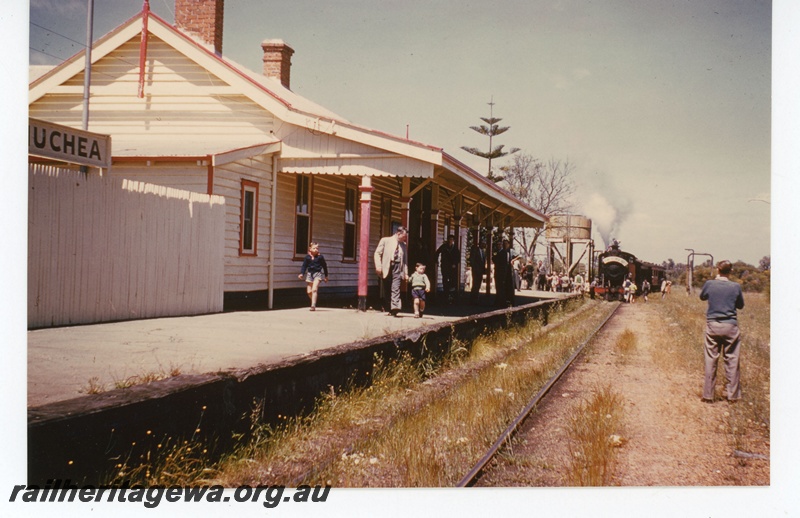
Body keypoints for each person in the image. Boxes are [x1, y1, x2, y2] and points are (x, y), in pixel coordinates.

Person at [699, 260, 744, 402]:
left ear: (718, 270)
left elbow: (702, 297)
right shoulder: (736, 286)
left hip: (713, 325)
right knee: (732, 359)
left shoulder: (710, 284)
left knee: (711, 359)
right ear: (730, 271)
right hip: (730, 326)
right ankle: (733, 396)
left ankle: (708, 395)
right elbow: (740, 305)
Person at [374, 226, 409, 317]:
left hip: (398, 267)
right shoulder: (385, 240)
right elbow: (377, 253)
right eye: (404, 236)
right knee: (387, 287)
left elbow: (405, 261)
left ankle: (395, 307)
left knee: (396, 287)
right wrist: (378, 266)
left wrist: (406, 273)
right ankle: (389, 308)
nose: (405, 238)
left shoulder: (403, 245)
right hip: (387, 266)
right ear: (398, 234)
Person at [298, 242, 329, 311]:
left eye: (317, 248)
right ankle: (314, 300)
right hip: (309, 274)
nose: (316, 249)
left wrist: (326, 276)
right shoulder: (307, 257)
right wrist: (302, 274)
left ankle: (313, 305)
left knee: (314, 289)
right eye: (314, 248)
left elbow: (324, 266)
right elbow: (304, 266)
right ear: (310, 249)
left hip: (317, 274)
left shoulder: (320, 257)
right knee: (309, 292)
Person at [435, 234, 461, 304]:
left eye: (452, 239)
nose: (451, 241)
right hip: (445, 265)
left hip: (452, 267)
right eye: (450, 239)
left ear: (453, 241)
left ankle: (451, 294)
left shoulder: (455, 248)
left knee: (452, 280)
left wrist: (455, 264)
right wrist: (437, 261)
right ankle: (445, 294)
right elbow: (437, 252)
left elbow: (458, 257)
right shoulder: (444, 247)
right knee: (445, 279)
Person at [492, 239, 516, 306]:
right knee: (498, 287)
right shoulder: (496, 252)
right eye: (497, 245)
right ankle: (498, 301)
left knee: (501, 288)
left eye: (500, 244)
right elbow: (494, 260)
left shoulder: (504, 253)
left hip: (501, 273)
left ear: (502, 245)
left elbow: (503, 264)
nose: (498, 246)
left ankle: (501, 302)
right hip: (497, 272)